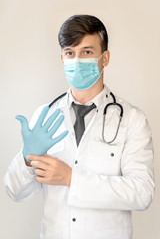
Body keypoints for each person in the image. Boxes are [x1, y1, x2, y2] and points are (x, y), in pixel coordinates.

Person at [4, 15, 155, 239]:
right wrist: (27, 158)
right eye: (70, 53)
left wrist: (71, 179)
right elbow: (14, 192)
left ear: (105, 58)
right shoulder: (46, 116)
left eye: (86, 52)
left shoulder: (131, 119)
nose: (76, 60)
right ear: (63, 59)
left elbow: (142, 193)